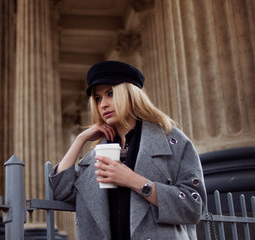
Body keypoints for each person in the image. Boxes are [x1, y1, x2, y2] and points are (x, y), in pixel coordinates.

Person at [49, 61, 207, 240]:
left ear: (130, 94)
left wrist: (135, 181)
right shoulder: (97, 155)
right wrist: (80, 140)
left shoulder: (172, 141)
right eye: (98, 98)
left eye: (110, 93)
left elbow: (194, 207)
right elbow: (61, 191)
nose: (103, 105)